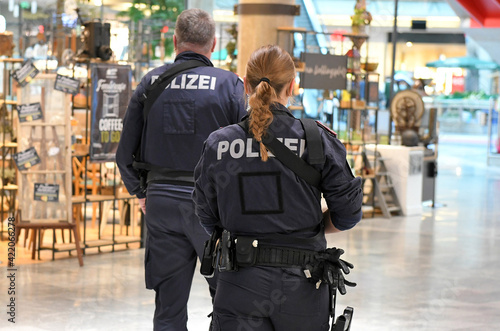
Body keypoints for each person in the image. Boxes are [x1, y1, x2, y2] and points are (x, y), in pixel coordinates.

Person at [192, 45, 363, 330]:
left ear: (245, 84)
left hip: (239, 283)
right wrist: (316, 222)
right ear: (292, 86)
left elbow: (207, 216)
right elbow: (348, 215)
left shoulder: (218, 144)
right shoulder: (318, 140)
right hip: (303, 286)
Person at [116, 8, 247, 331]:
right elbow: (246, 154)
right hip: (214, 210)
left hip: (162, 204)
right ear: (213, 44)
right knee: (229, 302)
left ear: (175, 41)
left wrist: (142, 193)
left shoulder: (150, 83)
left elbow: (123, 154)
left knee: (168, 308)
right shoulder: (230, 85)